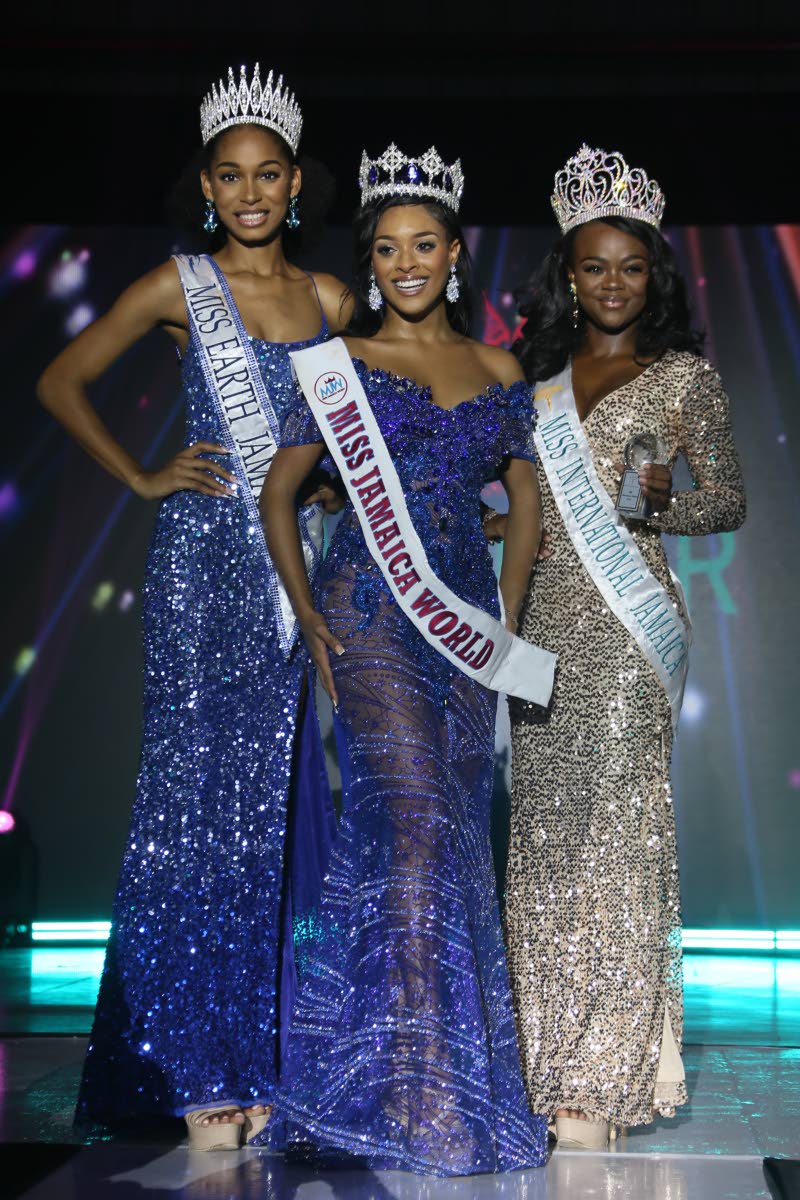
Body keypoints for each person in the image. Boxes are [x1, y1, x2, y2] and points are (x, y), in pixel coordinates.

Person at [37, 63, 350, 1149]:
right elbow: (60, 379)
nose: (250, 192)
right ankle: (188, 1062)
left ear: (295, 183)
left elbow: (364, 431)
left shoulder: (334, 301)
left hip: (287, 575)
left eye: (268, 173)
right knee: (188, 814)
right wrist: (141, 475)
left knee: (267, 817)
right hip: (199, 572)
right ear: (206, 187)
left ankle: (255, 1053)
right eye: (230, 175)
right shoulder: (179, 285)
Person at [257, 144, 552, 1176]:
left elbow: (526, 507)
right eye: (387, 248)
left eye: (424, 244)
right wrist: (309, 611)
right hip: (372, 613)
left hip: (461, 623)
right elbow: (279, 496)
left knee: (448, 839)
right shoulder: (337, 364)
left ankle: (415, 1073)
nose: (406, 263)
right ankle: (419, 1085)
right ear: (371, 261)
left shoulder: (500, 371)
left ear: (454, 253)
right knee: (416, 827)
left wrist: (503, 616)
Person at [505, 144, 746, 1148]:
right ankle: (543, 1068)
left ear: (654, 275)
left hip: (629, 634)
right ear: (567, 273)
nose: (612, 283)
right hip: (540, 625)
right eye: (594, 265)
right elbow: (523, 511)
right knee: (541, 843)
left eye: (631, 266)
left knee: (617, 841)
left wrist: (659, 505)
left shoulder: (683, 378)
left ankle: (600, 1082)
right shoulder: (531, 378)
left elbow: (725, 500)